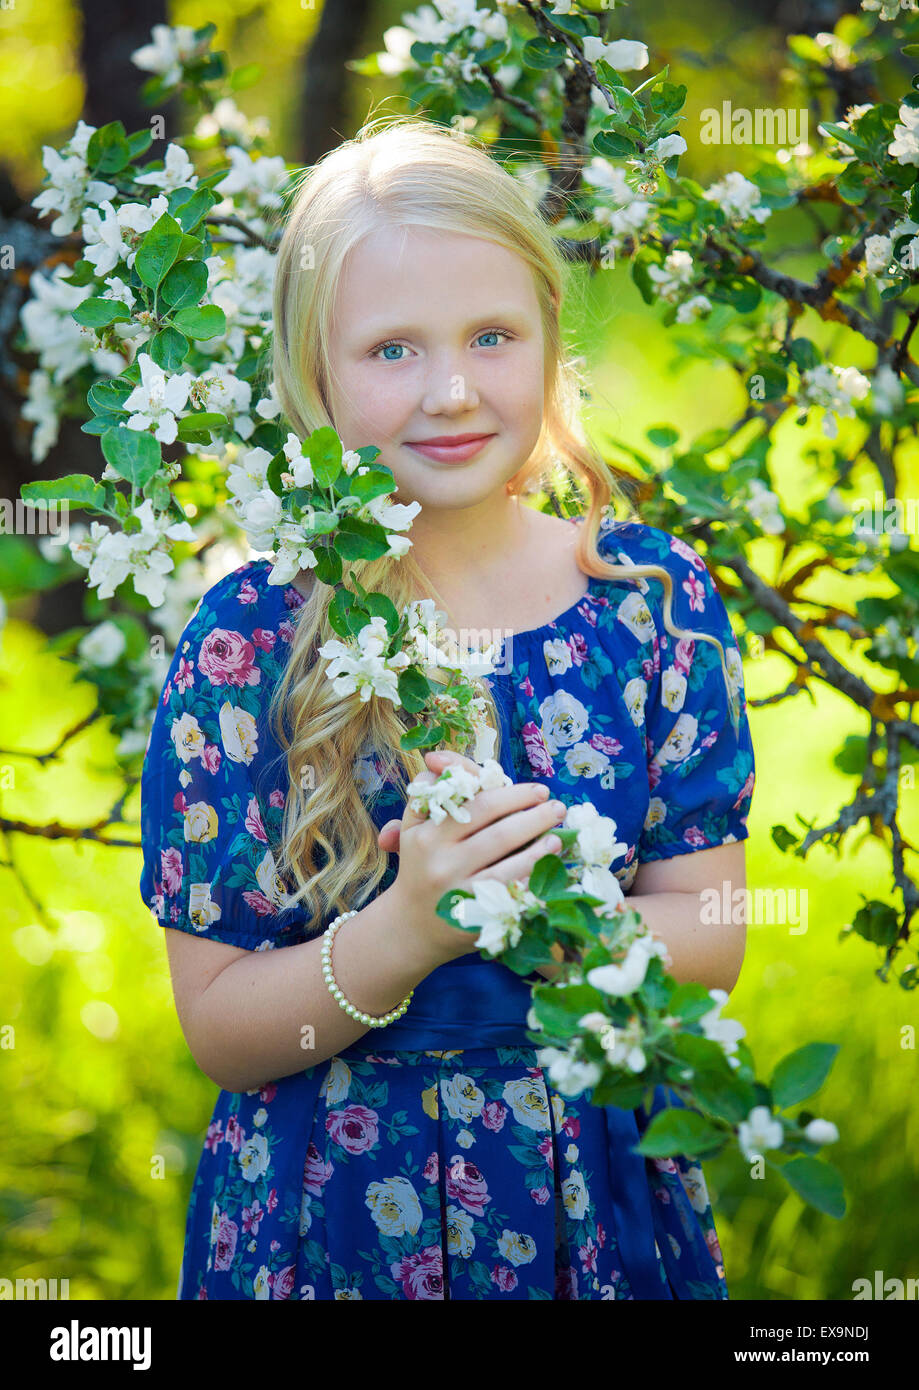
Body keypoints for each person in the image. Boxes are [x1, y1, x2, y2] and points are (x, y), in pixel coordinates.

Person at [139, 116, 756, 1301]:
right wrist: (408, 931)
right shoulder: (251, 644)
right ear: (313, 373)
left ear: (548, 340)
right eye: (391, 351)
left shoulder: (646, 600)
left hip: (594, 1187)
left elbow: (708, 932)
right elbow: (218, 1025)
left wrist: (552, 914)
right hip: (334, 1212)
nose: (453, 390)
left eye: (491, 335)